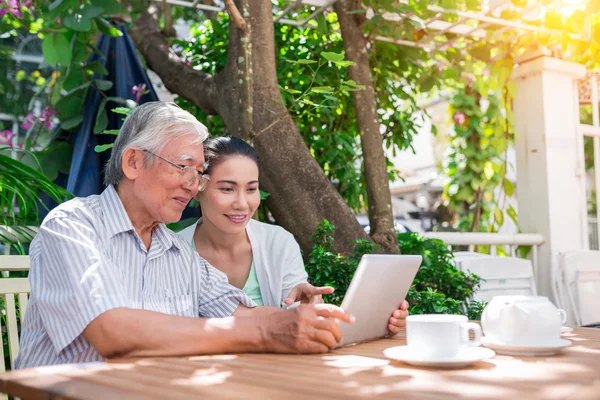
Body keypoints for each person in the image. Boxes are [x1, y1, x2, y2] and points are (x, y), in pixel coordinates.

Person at [14, 102, 353, 369]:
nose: (193, 184)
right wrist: (268, 331)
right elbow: (111, 332)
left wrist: (315, 320)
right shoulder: (73, 226)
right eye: (182, 166)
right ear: (133, 162)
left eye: (199, 172)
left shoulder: (175, 250)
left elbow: (244, 315)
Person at [177, 136, 409, 335]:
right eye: (227, 189)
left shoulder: (278, 242)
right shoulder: (174, 252)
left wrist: (305, 310)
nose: (242, 203)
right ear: (198, 189)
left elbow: (295, 319)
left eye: (251, 189)